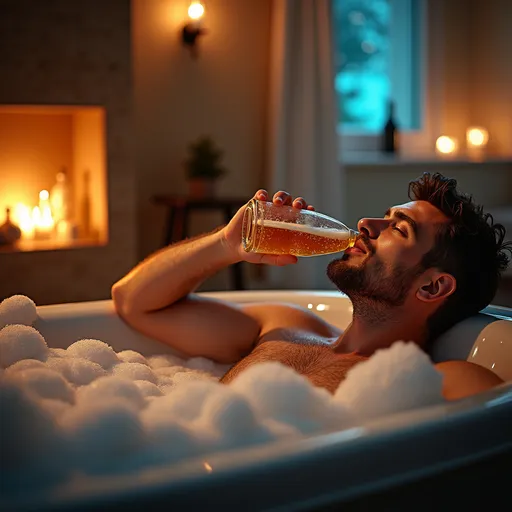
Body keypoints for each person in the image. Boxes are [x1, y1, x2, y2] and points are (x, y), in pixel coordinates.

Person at [112, 173, 510, 400]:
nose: (369, 224)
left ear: (433, 286)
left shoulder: (445, 381)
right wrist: (226, 245)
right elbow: (133, 301)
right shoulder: (284, 325)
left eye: (399, 230)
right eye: (385, 216)